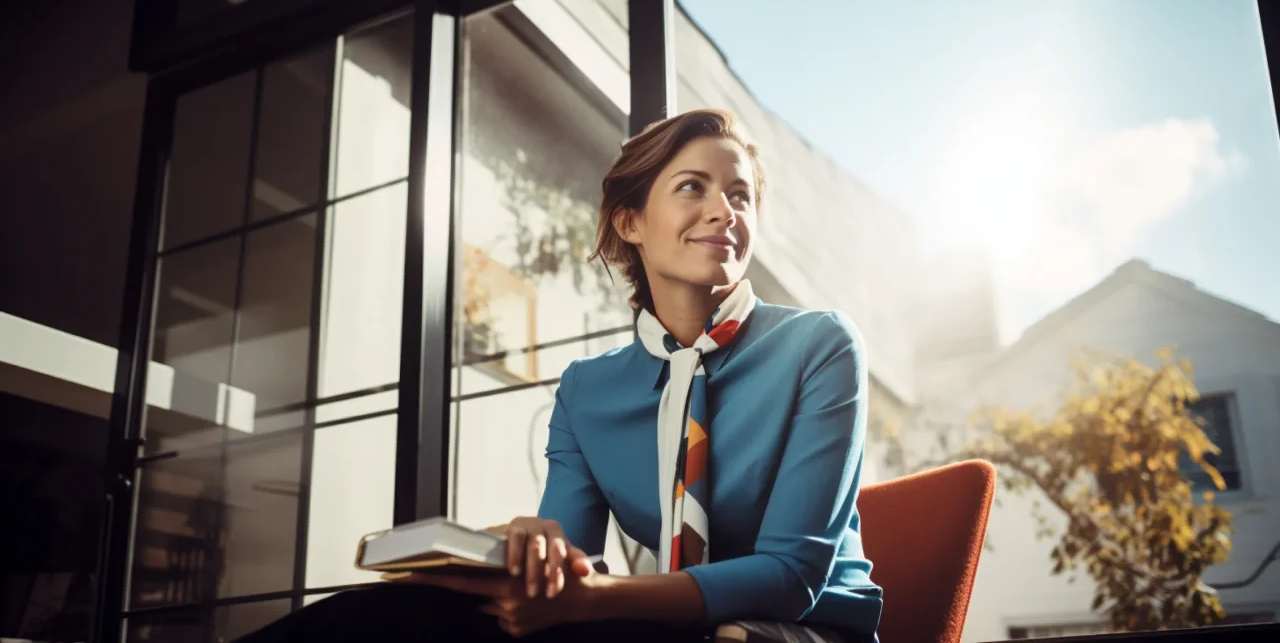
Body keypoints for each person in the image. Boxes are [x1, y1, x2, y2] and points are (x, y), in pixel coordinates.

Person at [236, 109, 882, 642]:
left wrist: (592, 596)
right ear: (630, 222)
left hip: (803, 629)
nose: (725, 210)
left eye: (740, 195)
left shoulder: (820, 345)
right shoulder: (587, 390)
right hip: (665, 624)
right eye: (694, 187)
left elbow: (792, 574)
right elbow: (569, 575)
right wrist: (531, 556)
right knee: (406, 615)